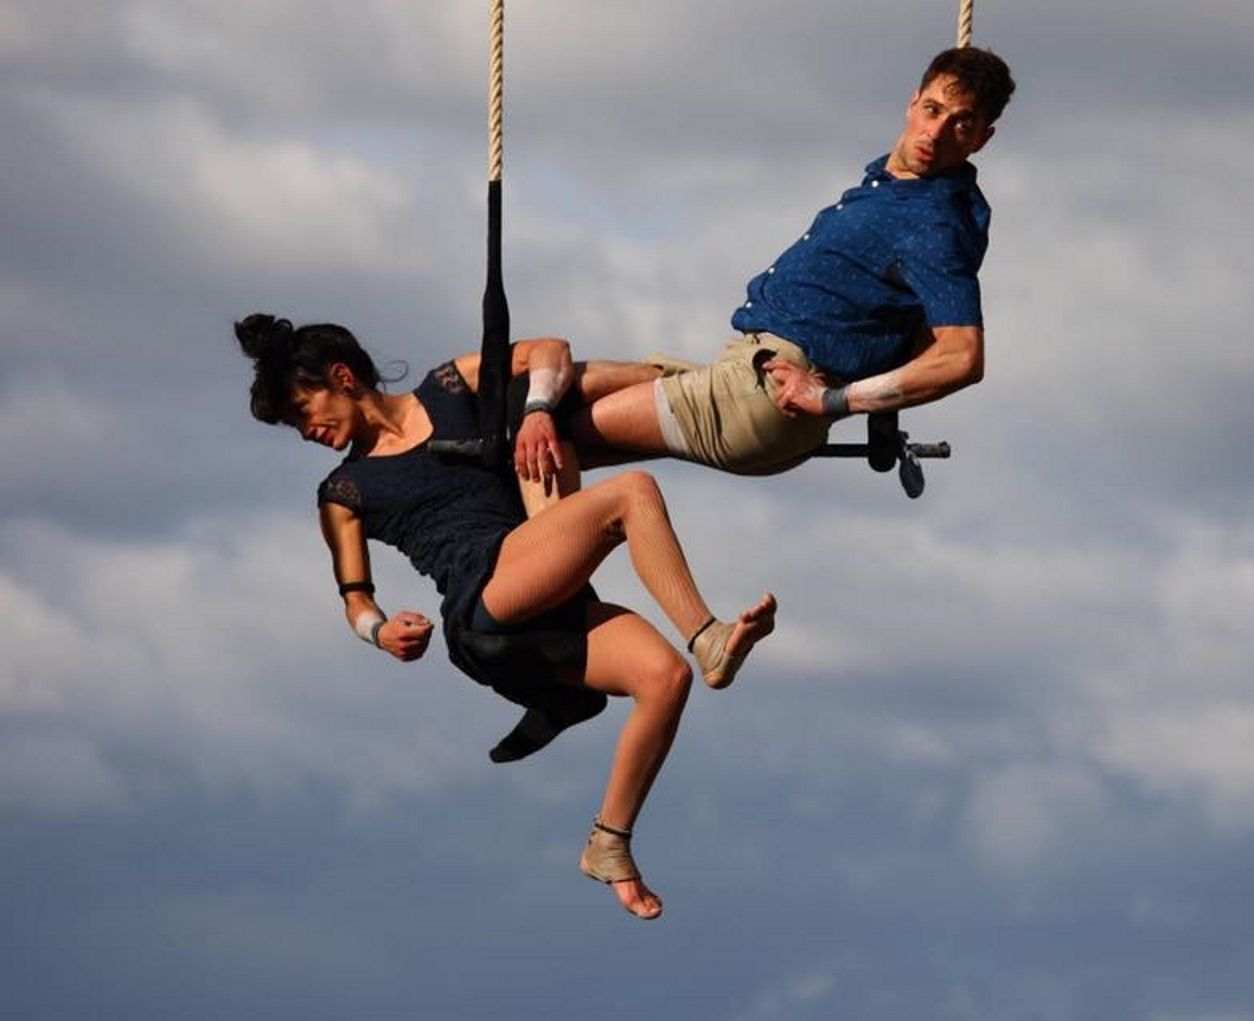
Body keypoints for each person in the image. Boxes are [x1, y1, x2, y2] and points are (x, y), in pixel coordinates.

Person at [233, 313, 777, 921]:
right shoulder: (345, 490)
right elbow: (356, 600)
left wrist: (540, 410)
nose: (306, 431)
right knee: (632, 493)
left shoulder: (448, 386)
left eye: (304, 410)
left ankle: (610, 842)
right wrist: (380, 631)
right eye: (295, 425)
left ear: (342, 377)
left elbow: (549, 350)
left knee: (663, 680)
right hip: (482, 601)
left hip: (538, 592)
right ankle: (707, 635)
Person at [543, 47, 1015, 477]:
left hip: (765, 398)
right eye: (933, 110)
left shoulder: (935, 222)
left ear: (982, 139)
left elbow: (961, 356)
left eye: (961, 124)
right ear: (912, 103)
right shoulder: (893, 187)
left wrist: (837, 400)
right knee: (554, 403)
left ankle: (537, 566)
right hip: (747, 376)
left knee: (544, 444)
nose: (936, 132)